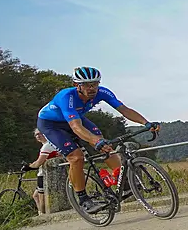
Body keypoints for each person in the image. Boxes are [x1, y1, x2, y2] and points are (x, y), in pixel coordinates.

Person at [36, 66, 161, 214]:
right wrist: (95, 141)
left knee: (106, 146)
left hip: (76, 119)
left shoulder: (102, 92)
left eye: (95, 84)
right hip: (51, 125)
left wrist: (146, 123)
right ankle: (83, 199)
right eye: (87, 85)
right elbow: (76, 127)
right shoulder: (66, 97)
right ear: (77, 86)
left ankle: (125, 183)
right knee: (76, 157)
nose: (92, 88)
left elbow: (124, 110)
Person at [21, 128, 59, 215]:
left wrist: (28, 167)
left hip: (43, 174)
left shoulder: (46, 146)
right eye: (36, 135)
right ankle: (40, 213)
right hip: (49, 172)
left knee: (42, 197)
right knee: (35, 195)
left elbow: (38, 163)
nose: (38, 136)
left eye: (40, 133)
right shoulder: (51, 144)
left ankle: (43, 215)